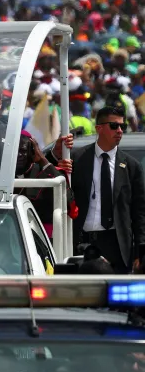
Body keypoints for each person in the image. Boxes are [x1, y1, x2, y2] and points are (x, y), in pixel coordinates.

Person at [49, 106, 145, 273]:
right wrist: (58, 160)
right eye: (114, 126)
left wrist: (141, 250)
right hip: (83, 243)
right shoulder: (77, 160)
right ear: (99, 128)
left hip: (118, 245)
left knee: (117, 297)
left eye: (123, 126)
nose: (120, 131)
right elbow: (56, 193)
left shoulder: (131, 166)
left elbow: (139, 212)